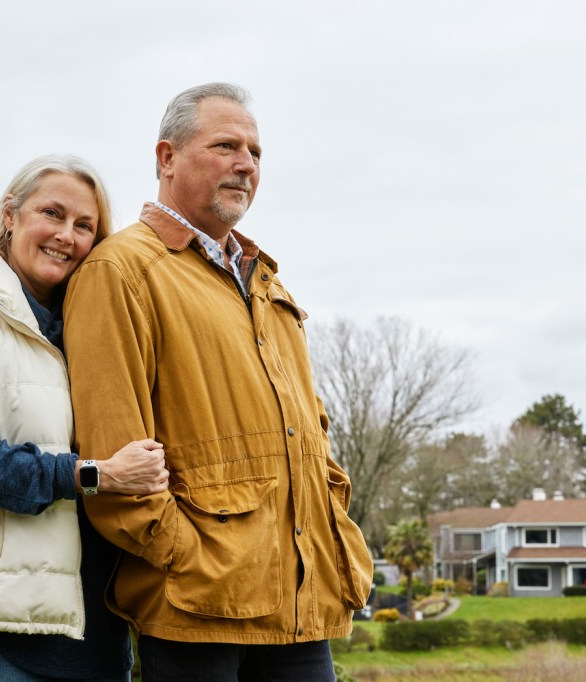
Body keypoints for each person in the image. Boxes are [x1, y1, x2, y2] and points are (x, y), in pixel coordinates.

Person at [63, 84, 373, 681]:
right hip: (196, 604)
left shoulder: (267, 282)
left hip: (298, 600)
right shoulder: (120, 271)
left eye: (255, 152)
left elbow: (312, 432)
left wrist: (331, 517)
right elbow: (114, 448)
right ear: (167, 158)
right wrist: (184, 556)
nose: (246, 164)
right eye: (226, 146)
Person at [0, 154, 169, 682]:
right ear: (10, 216)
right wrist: (99, 475)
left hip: (92, 629)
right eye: (52, 213)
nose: (66, 235)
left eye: (84, 225)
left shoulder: (87, 335)